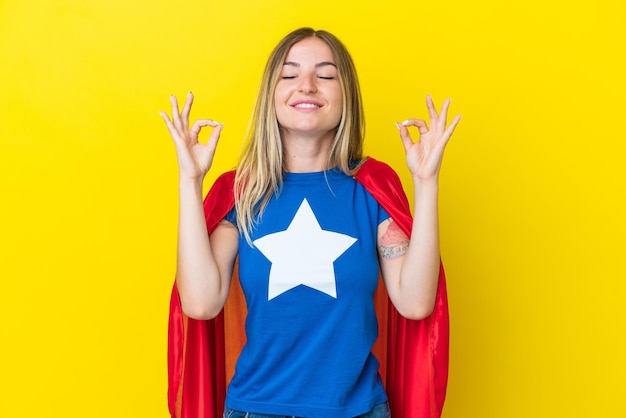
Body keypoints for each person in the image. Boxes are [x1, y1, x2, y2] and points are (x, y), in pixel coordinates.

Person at [161, 27, 460, 418]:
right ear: (272, 94)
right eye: (289, 75)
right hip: (256, 409)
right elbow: (201, 303)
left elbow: (416, 302)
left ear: (345, 95)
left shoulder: (373, 188)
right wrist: (190, 180)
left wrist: (426, 182)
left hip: (359, 410)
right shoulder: (240, 191)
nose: (306, 86)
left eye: (325, 75)